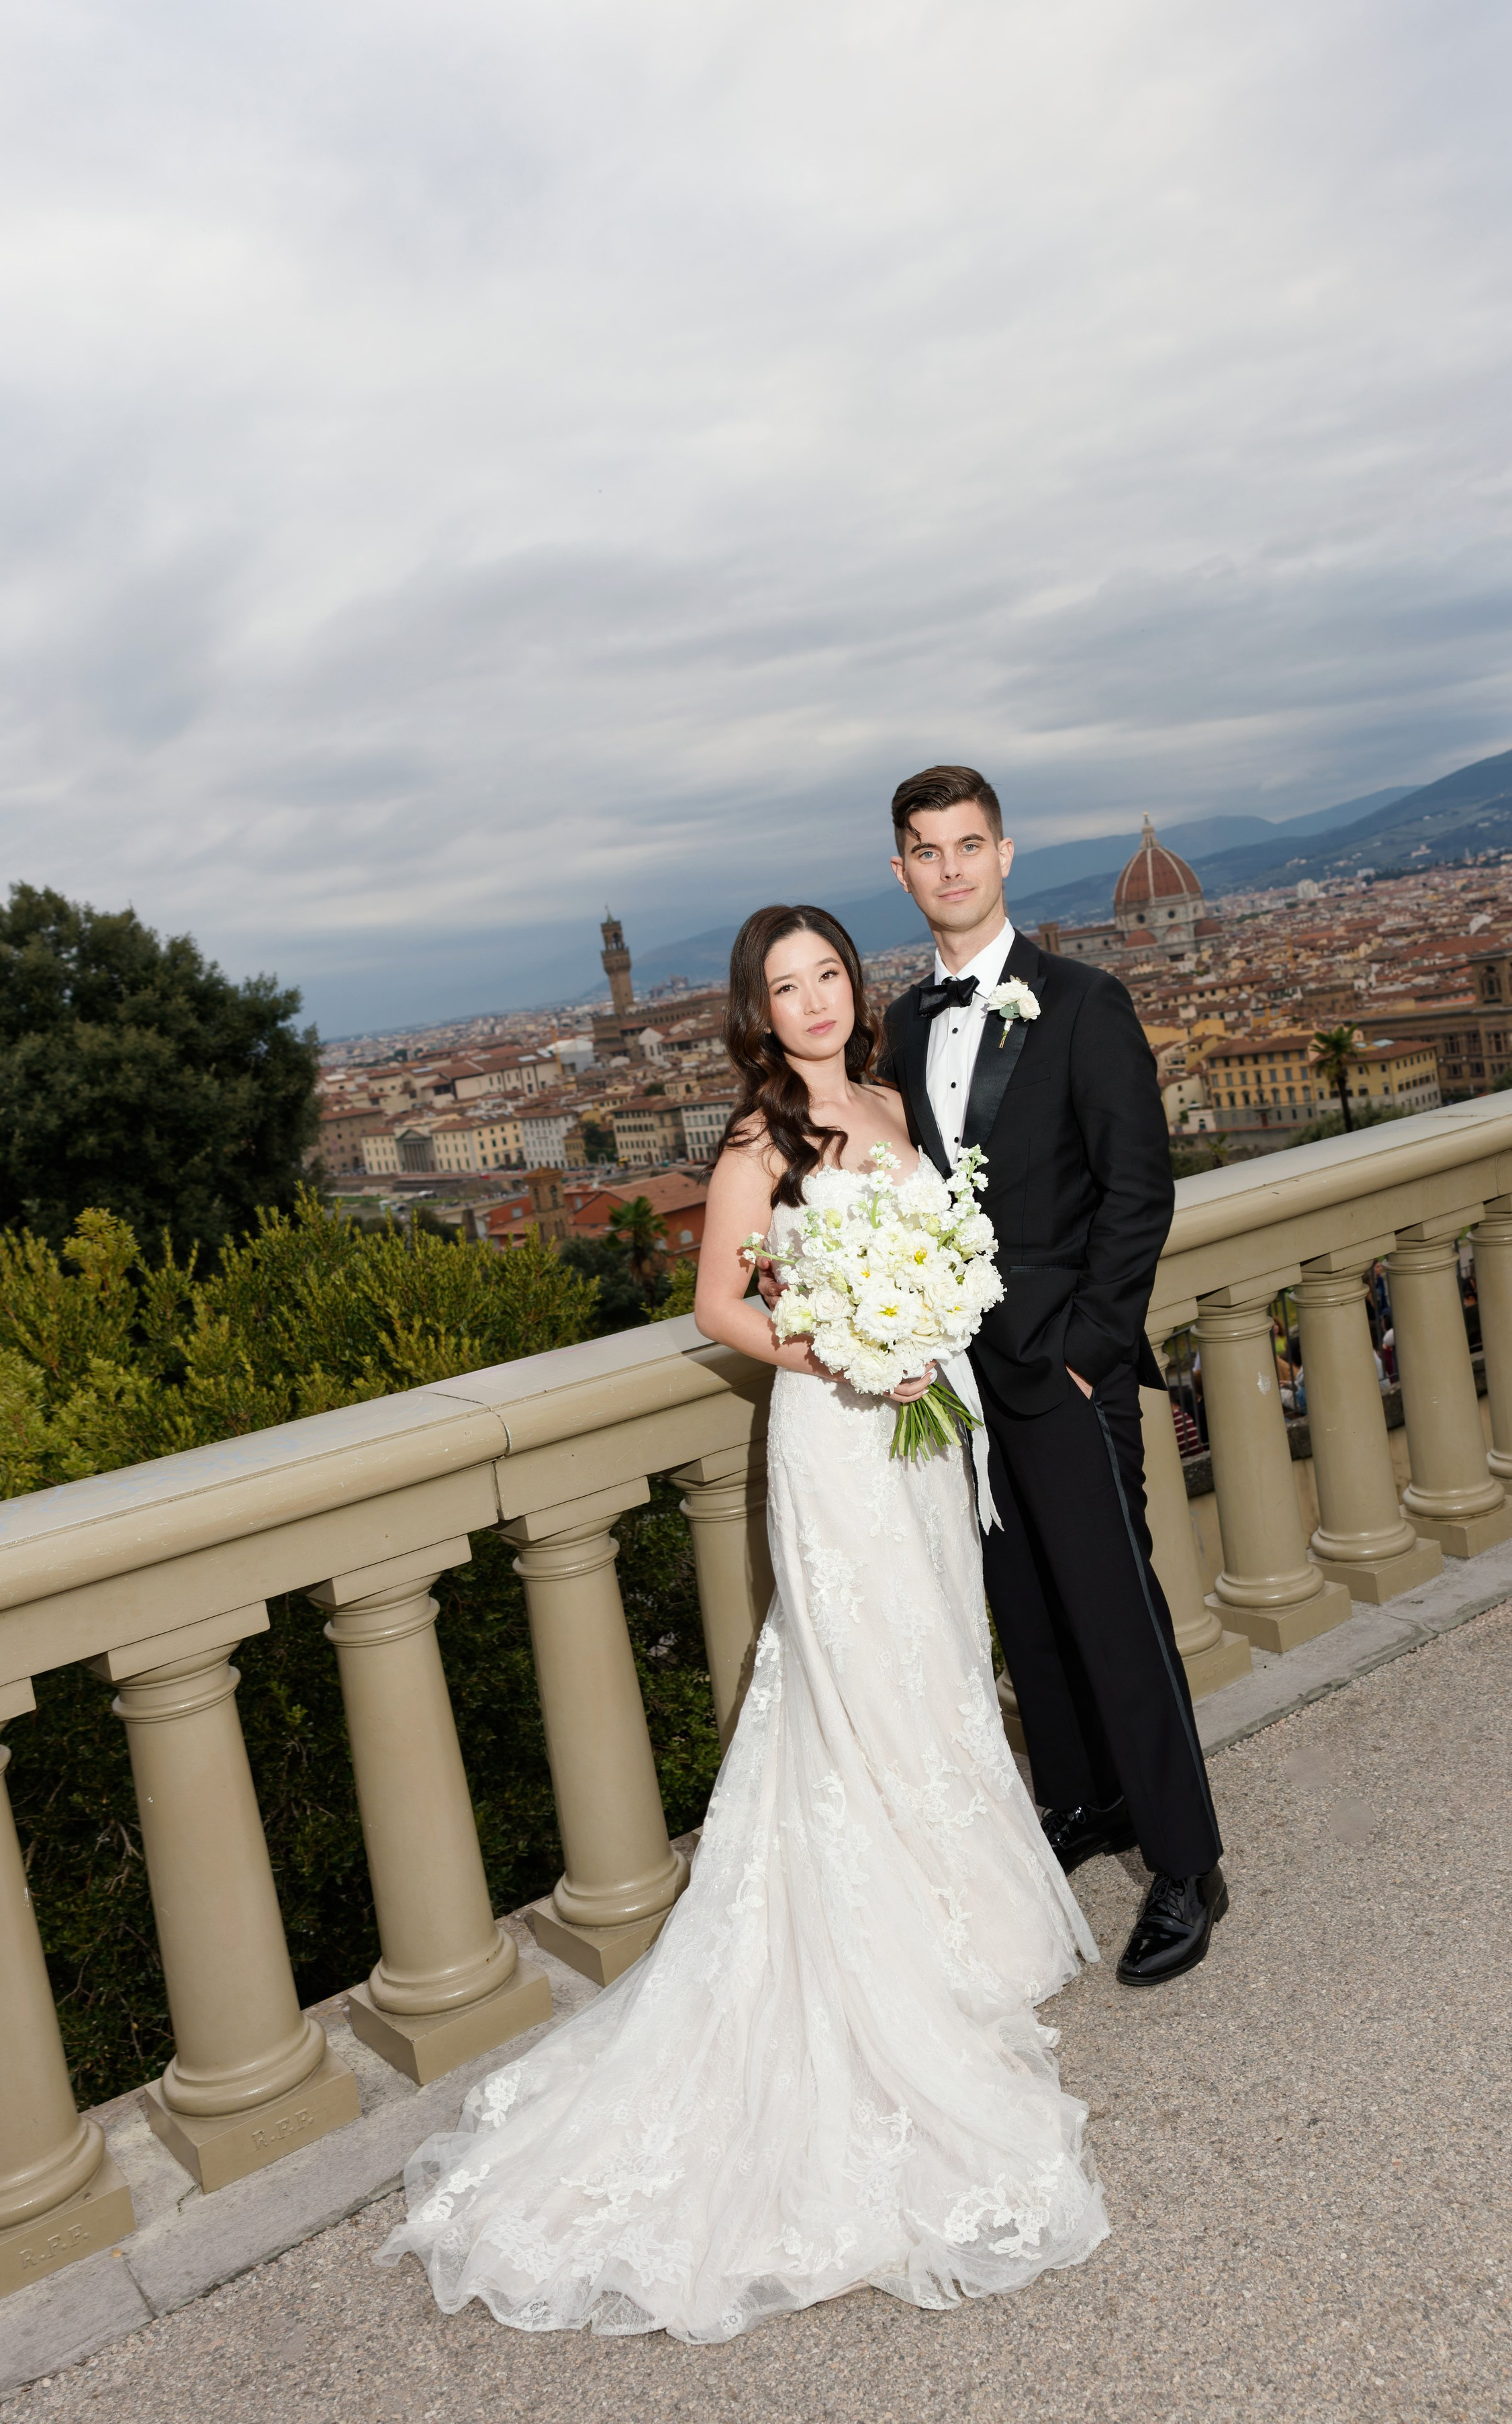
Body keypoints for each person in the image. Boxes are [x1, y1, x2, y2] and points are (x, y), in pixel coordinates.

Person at [377, 903, 1107, 2342]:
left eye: (829, 973)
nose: (816, 1001)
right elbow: (722, 1305)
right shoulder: (755, 1145)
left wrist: (929, 1325)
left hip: (928, 1430)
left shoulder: (897, 1105)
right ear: (756, 1013)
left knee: (938, 1667)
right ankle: (893, 1957)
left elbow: (954, 1249)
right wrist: (848, 1340)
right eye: (786, 987)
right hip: (837, 1440)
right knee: (853, 1681)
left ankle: (962, 1925)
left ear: (853, 985)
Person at [873, 764, 1226, 1988]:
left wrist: (1085, 1356)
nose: (952, 869)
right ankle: (1084, 1805)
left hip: (1061, 1365)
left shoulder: (1083, 1001)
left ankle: (1188, 1865)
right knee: (1027, 1607)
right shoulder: (905, 1026)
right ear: (905, 870)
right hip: (961, 1376)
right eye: (928, 850)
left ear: (1006, 855)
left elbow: (1140, 1193)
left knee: (1118, 1614)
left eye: (970, 845)